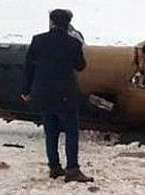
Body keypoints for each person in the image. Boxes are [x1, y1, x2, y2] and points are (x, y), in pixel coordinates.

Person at [20, 9, 93, 183]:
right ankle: (72, 169)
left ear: (51, 22)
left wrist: (26, 90)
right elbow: (80, 66)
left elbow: (29, 67)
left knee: (50, 132)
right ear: (68, 24)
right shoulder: (73, 43)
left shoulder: (38, 40)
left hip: (43, 93)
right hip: (65, 95)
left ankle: (54, 167)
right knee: (71, 133)